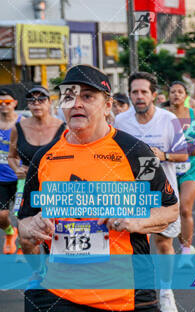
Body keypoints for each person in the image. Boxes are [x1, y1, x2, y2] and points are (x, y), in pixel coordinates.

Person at [18, 65, 178, 312]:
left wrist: (135, 221)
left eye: (88, 96)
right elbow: (25, 220)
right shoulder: (44, 158)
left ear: (107, 105)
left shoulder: (136, 153)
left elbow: (169, 209)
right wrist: (32, 226)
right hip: (58, 292)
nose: (77, 103)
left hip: (125, 293)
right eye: (69, 96)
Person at [114, 72, 188, 312]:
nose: (139, 96)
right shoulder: (120, 121)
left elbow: (183, 154)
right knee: (132, 245)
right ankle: (135, 293)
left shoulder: (168, 120)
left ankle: (166, 291)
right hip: (131, 193)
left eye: (144, 91)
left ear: (154, 95)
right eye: (134, 92)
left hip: (162, 191)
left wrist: (161, 155)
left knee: (164, 243)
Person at [8, 87, 65, 254]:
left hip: (54, 188)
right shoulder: (18, 128)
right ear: (27, 105)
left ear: (49, 103)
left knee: (55, 230)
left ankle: (57, 267)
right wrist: (17, 168)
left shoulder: (64, 128)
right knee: (26, 237)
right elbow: (11, 156)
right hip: (26, 186)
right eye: (32, 100)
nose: (36, 103)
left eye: (41, 99)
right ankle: (37, 271)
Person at [166, 82, 195, 256]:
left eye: (180, 92)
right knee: (173, 210)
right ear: (168, 95)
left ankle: (186, 250)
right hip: (169, 166)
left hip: (192, 165)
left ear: (185, 96)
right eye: (173, 91)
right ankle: (183, 243)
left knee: (185, 208)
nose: (176, 95)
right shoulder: (164, 116)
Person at [0, 88, 20, 254]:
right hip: (1, 178)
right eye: (0, 103)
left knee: (23, 216)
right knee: (1, 216)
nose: (3, 106)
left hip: (21, 178)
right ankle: (10, 233)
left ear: (14, 103)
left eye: (7, 102)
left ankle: (23, 247)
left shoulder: (24, 123)